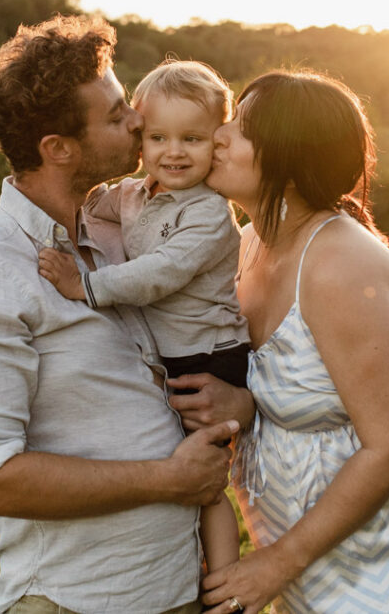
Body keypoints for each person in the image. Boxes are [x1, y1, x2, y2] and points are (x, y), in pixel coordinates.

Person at [0, 15, 239, 614]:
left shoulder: (119, 230)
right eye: (118, 116)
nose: (139, 121)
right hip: (80, 600)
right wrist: (168, 480)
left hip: (176, 589)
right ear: (58, 149)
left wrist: (235, 402)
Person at [170, 70, 389, 614]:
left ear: (293, 163)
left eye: (243, 128)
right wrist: (244, 407)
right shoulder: (249, 243)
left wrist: (276, 563)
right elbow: (303, 385)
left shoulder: (337, 265)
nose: (220, 135)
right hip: (315, 542)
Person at [37, 59, 249, 572]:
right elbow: (87, 205)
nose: (173, 152)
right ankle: (189, 566)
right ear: (141, 140)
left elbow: (158, 273)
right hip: (172, 356)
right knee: (177, 468)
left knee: (205, 477)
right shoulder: (134, 194)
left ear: (217, 141)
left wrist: (83, 286)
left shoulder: (208, 215)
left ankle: (224, 587)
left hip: (211, 356)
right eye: (158, 137)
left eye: (192, 139)